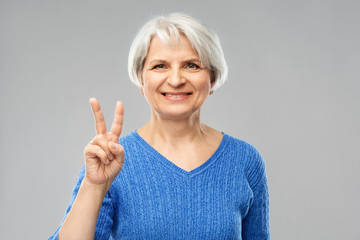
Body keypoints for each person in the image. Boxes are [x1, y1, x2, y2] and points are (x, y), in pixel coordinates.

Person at [49, 13, 270, 239]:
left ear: (212, 79)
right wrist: (94, 186)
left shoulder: (245, 159)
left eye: (191, 65)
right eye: (160, 66)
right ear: (140, 79)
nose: (175, 80)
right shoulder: (111, 159)